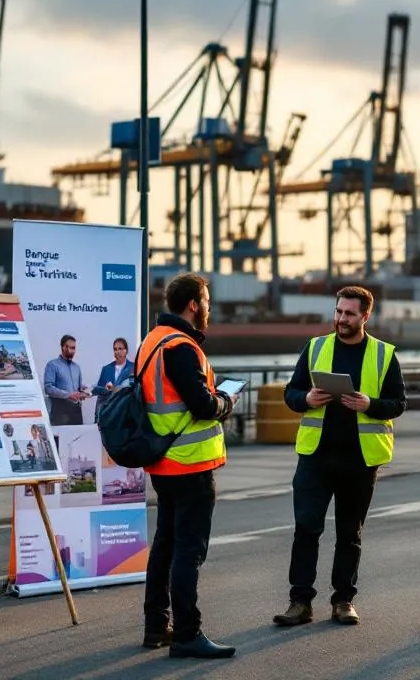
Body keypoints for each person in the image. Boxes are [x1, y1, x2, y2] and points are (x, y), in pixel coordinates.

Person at [273, 286, 408, 628]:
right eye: (338, 312)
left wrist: (370, 405)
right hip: (315, 456)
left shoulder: (382, 354)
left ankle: (343, 601)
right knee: (306, 528)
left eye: (349, 314)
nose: (341, 319)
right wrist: (307, 399)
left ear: (365, 316)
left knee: (350, 532)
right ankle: (299, 602)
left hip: (360, 460)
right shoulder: (316, 347)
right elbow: (290, 393)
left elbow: (398, 403)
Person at [138, 272, 239, 659]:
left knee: (164, 545)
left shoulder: (152, 340)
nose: (209, 308)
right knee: (188, 552)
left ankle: (156, 626)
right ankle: (186, 633)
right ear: (194, 305)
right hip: (189, 463)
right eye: (207, 302)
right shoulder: (182, 346)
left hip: (164, 462)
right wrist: (226, 402)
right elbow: (201, 404)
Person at [43, 335, 88, 426]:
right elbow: (48, 388)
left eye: (74, 348)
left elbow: (78, 388)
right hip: (60, 414)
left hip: (77, 413)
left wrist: (85, 391)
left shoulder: (77, 367)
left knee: (79, 439)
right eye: (70, 347)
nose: (72, 350)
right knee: (61, 440)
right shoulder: (52, 365)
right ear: (63, 347)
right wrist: (68, 395)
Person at [93, 337, 135, 422]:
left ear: (126, 350)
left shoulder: (133, 368)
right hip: (108, 415)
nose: (117, 352)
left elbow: (134, 389)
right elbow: (100, 395)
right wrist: (97, 417)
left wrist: (116, 388)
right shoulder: (106, 369)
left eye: (120, 349)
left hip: (126, 415)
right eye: (115, 349)